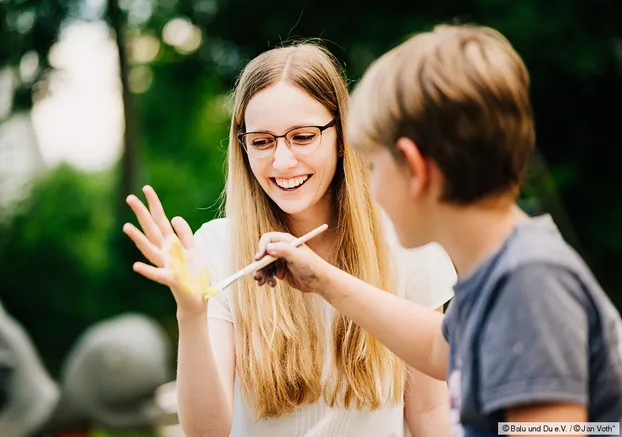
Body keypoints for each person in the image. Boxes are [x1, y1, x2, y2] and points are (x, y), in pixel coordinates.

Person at [252, 24, 622, 437]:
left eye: (374, 166)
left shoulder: (528, 285)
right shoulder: (499, 274)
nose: (369, 188)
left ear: (415, 169)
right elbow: (436, 349)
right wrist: (321, 279)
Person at [123, 42, 457, 437]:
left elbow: (431, 415)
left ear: (342, 134)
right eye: (262, 142)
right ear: (242, 145)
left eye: (302, 137)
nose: (282, 162)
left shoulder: (408, 241)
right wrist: (192, 314)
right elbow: (206, 432)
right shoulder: (217, 245)